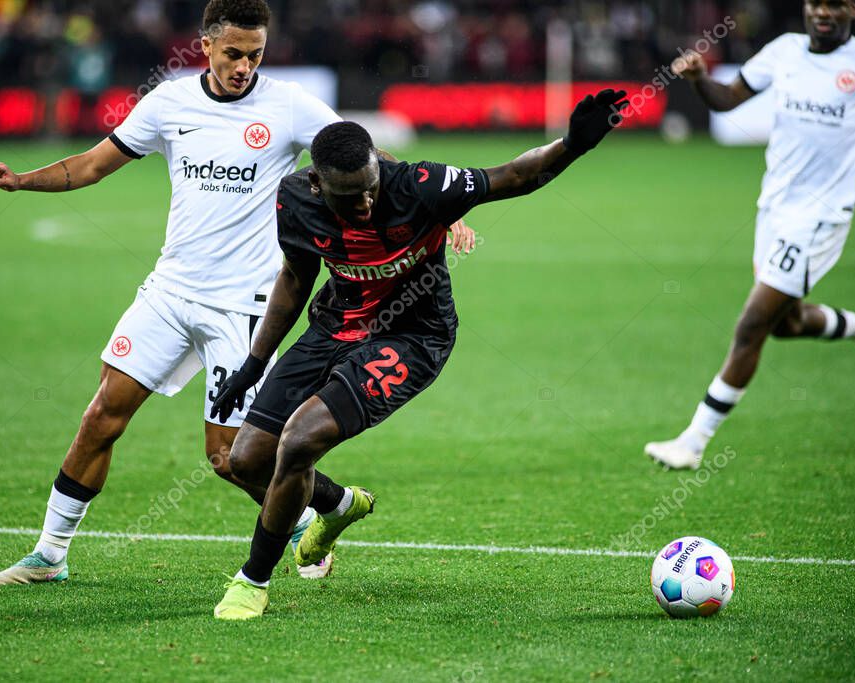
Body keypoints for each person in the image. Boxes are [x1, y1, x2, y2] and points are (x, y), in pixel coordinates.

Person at [0, 0, 474, 586]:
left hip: (246, 307)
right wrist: (22, 181)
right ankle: (48, 556)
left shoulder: (286, 106)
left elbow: (358, 154)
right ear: (205, 44)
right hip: (170, 291)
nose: (243, 66)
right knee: (103, 413)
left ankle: (324, 507)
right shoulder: (169, 102)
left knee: (230, 459)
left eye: (255, 55)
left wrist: (432, 204)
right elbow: (92, 165)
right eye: (233, 53)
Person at [208, 89, 630, 620]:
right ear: (317, 185)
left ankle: (253, 581)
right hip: (334, 326)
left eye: (369, 189)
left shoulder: (419, 186)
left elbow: (514, 175)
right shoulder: (294, 201)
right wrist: (254, 363)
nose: (364, 204)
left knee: (298, 441)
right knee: (246, 461)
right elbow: (295, 279)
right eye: (349, 197)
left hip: (412, 336)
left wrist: (572, 145)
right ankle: (337, 506)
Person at [645, 0, 855, 470]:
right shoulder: (785, 51)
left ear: (852, 8)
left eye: (834, 4)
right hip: (773, 209)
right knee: (786, 324)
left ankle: (693, 441)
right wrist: (697, 81)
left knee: (752, 325)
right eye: (815, 3)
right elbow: (727, 99)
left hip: (821, 216)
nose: (823, 13)